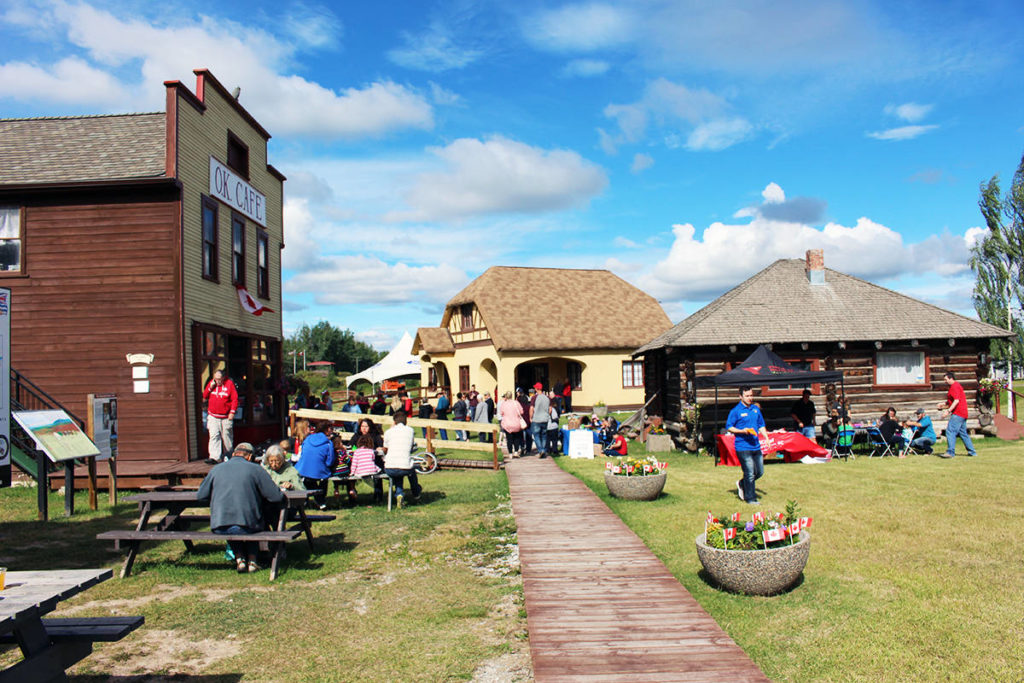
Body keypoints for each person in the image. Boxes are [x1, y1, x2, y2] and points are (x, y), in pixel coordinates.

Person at [197, 442, 284, 573]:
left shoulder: (215, 469)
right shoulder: (255, 469)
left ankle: (240, 559)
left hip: (219, 525)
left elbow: (200, 495)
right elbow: (276, 497)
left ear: (233, 455)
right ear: (249, 457)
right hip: (249, 525)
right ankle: (253, 560)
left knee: (232, 525)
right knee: (253, 520)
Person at [726, 386, 768, 505]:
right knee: (749, 473)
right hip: (743, 447)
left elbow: (761, 425)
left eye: (751, 395)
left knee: (759, 472)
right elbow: (729, 427)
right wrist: (742, 431)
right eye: (747, 396)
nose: (750, 398)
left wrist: (766, 437)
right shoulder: (735, 411)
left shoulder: (755, 409)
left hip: (756, 446)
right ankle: (750, 498)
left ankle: (742, 483)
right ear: (740, 396)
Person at [383, 411, 421, 508]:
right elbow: (412, 446)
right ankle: (416, 492)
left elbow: (385, 448)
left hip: (390, 466)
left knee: (397, 474)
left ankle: (399, 494)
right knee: (410, 470)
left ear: (394, 421)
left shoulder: (388, 432)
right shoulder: (410, 430)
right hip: (404, 466)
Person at [295, 421, 335, 509]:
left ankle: (315, 501)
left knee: (308, 479)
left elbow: (302, 455)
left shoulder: (307, 439)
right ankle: (321, 501)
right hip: (319, 471)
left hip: (302, 469)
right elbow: (329, 462)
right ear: (327, 430)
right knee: (324, 477)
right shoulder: (328, 443)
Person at [203, 370, 238, 461]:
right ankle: (214, 457)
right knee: (214, 435)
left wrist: (232, 412)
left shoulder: (229, 384)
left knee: (227, 436)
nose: (217, 381)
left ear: (223, 378)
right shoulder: (212, 383)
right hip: (213, 415)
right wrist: (210, 387)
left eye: (219, 379)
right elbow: (205, 395)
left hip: (225, 416)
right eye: (216, 379)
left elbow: (234, 399)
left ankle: (228, 455)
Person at [939, 371, 976, 458]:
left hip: (958, 413)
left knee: (950, 431)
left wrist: (947, 411)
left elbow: (956, 401)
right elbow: (951, 400)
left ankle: (950, 452)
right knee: (963, 433)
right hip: (963, 413)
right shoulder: (956, 386)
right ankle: (972, 452)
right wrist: (943, 404)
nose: (945, 381)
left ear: (951, 378)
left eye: (946, 379)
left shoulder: (954, 387)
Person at [347, 418, 384, 503]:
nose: (364, 428)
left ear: (370, 427)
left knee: (378, 473)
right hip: (358, 463)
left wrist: (380, 448)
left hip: (374, 462)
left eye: (366, 426)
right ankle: (352, 496)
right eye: (362, 426)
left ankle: (378, 496)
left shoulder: (376, 436)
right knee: (349, 470)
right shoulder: (357, 436)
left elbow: (381, 447)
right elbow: (349, 445)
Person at [499, 391, 525, 458]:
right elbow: (521, 411)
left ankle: (510, 453)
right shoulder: (516, 403)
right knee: (516, 438)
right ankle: (516, 452)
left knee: (509, 439)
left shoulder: (504, 404)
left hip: (507, 424)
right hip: (516, 423)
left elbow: (501, 413)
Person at [529, 386, 551, 457]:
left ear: (536, 389)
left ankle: (540, 450)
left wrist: (530, 417)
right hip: (545, 419)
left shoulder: (534, 397)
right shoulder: (547, 397)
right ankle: (543, 450)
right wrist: (547, 415)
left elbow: (531, 408)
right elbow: (550, 409)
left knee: (536, 435)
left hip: (536, 419)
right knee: (544, 435)